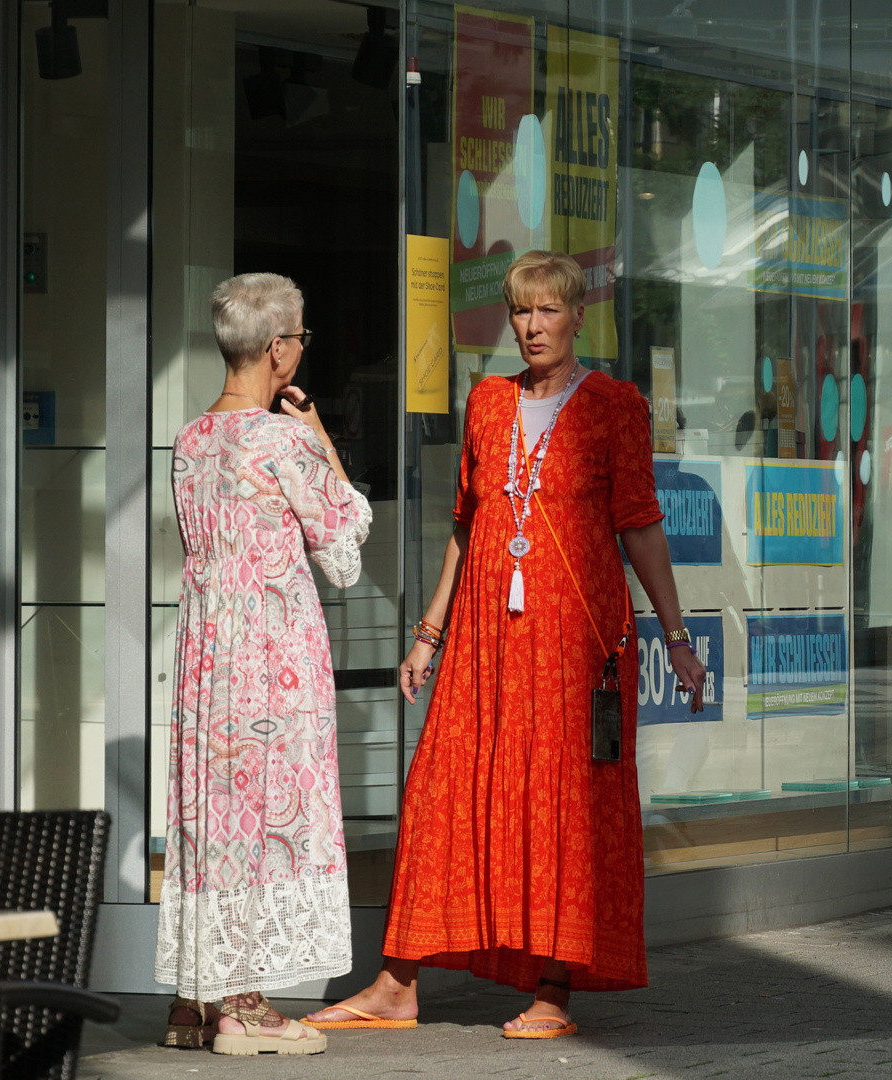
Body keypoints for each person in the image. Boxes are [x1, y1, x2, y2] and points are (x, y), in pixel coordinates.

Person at [307, 250, 706, 1038]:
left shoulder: (613, 405)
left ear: (576, 316)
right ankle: (396, 982)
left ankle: (553, 991)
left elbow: (641, 525)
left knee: (563, 806)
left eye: (547, 310)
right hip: (487, 639)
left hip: (574, 640)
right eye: (520, 312)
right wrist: (429, 632)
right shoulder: (486, 403)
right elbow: (468, 523)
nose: (531, 326)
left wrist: (678, 635)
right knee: (441, 792)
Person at [155, 272, 372, 1056]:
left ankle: (193, 1001)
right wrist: (319, 439)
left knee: (210, 813)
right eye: (301, 337)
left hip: (207, 646)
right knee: (264, 808)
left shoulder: (189, 439)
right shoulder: (280, 440)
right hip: (272, 651)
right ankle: (245, 1008)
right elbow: (344, 547)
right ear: (279, 349)